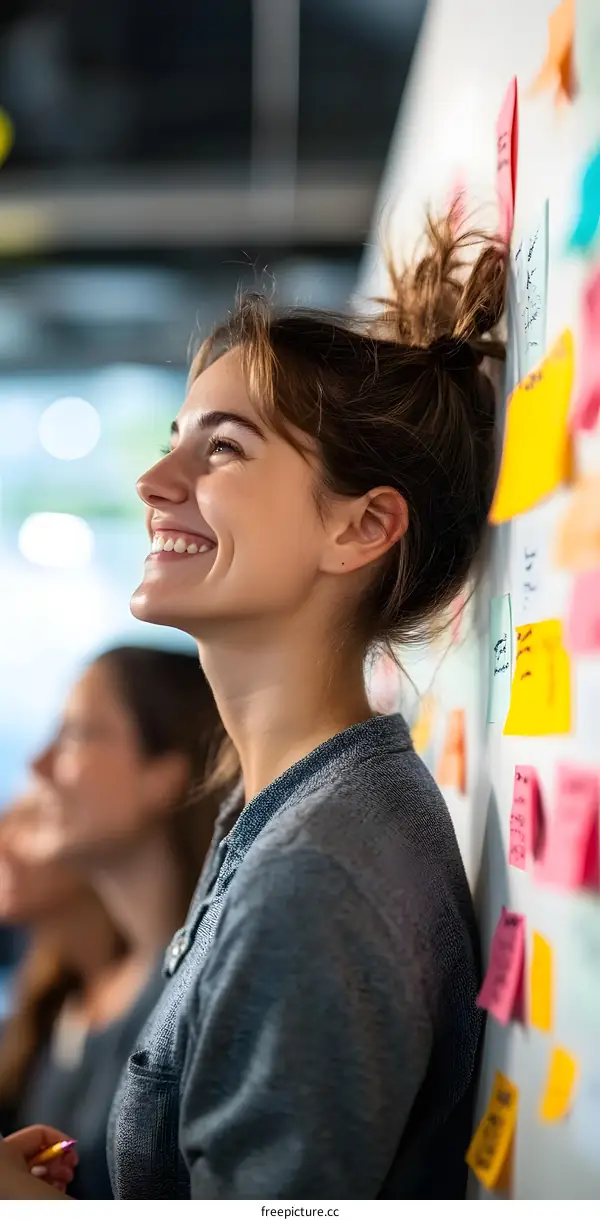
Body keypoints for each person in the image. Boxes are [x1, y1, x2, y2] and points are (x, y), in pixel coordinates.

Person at [0, 214, 507, 1201]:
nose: (154, 484)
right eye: (172, 442)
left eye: (221, 449)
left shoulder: (315, 872)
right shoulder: (288, 809)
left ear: (360, 527)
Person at [0, 645, 222, 1199]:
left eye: (77, 734)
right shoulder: (122, 989)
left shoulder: (206, 990)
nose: (39, 766)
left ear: (166, 775)